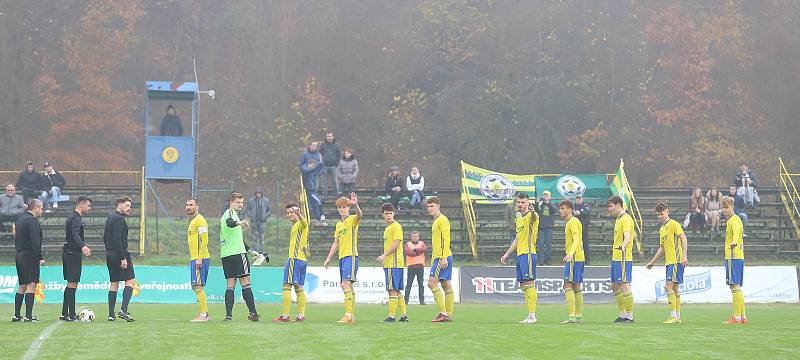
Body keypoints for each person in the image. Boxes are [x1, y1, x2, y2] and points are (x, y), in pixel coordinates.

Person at [646, 202, 688, 324]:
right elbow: (662, 248)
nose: (660, 217)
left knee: (667, 287)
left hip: (676, 260)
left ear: (667, 211)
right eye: (658, 215)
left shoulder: (673, 224)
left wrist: (684, 256)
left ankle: (673, 316)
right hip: (670, 262)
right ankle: (678, 317)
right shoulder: (662, 229)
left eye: (662, 214)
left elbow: (683, 238)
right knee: (674, 289)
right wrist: (652, 262)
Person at [220, 192, 260, 322]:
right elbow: (230, 222)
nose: (240, 205)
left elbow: (238, 240)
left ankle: (229, 316)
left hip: (226, 254)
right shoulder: (230, 213)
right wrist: (240, 222)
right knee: (245, 282)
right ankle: (253, 313)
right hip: (237, 254)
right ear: (231, 202)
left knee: (230, 284)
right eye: (238, 202)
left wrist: (251, 251)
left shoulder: (232, 215)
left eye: (242, 202)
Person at [500, 193, 539, 324]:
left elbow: (533, 218)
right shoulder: (518, 218)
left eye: (523, 202)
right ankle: (529, 314)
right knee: (523, 285)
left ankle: (532, 315)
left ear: (528, 203)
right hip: (520, 254)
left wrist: (533, 212)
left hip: (528, 253)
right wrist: (507, 254)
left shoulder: (532, 215)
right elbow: (517, 239)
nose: (521, 205)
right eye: (519, 202)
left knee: (529, 283)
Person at [323, 193, 361, 323]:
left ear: (348, 207)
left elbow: (360, 215)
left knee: (346, 284)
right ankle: (351, 315)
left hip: (351, 256)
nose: (341, 209)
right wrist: (329, 258)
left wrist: (356, 205)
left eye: (343, 207)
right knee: (346, 286)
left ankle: (348, 315)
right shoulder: (338, 224)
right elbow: (336, 242)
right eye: (339, 207)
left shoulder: (352, 219)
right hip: (342, 258)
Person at [274, 202, 309, 322]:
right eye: (288, 213)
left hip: (295, 259)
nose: (289, 215)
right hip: (302, 260)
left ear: (296, 212)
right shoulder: (295, 225)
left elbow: (305, 223)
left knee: (286, 286)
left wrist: (299, 213)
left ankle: (285, 316)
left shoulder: (299, 222)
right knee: (299, 288)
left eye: (291, 212)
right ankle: (301, 315)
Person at [104, 196, 137, 322]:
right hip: (120, 253)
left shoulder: (110, 217)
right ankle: (123, 310)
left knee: (114, 283)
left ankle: (111, 315)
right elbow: (117, 239)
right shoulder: (119, 219)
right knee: (130, 281)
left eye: (130, 206)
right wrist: (123, 257)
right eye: (127, 206)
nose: (129, 208)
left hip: (110, 253)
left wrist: (110, 252)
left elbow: (106, 237)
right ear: (119, 204)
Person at [11, 199, 44, 322]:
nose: (42, 210)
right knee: (32, 284)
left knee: (22, 285)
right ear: (35, 208)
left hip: (19, 254)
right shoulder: (32, 220)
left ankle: (16, 315)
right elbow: (35, 241)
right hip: (30, 255)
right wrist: (39, 256)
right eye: (41, 208)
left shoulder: (20, 219)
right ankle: (28, 316)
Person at [60, 196, 92, 321]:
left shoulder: (72, 217)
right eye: (88, 205)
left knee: (70, 284)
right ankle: (72, 315)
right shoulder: (76, 218)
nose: (90, 208)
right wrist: (83, 246)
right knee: (72, 284)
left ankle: (64, 313)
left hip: (70, 252)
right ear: (81, 205)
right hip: (72, 254)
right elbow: (75, 234)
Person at [377, 203, 409, 322]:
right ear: (383, 215)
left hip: (393, 263)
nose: (389, 215)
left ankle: (391, 316)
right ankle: (404, 315)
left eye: (390, 213)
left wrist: (384, 255)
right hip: (395, 263)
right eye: (386, 214)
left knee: (391, 289)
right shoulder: (388, 228)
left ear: (394, 214)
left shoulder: (395, 226)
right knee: (397, 290)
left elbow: (396, 243)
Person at [608, 195, 635, 324]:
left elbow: (627, 236)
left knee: (624, 285)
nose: (609, 209)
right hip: (616, 257)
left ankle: (630, 316)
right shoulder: (618, 219)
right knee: (615, 286)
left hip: (623, 257)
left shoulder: (626, 219)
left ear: (618, 204)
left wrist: (623, 246)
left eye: (611, 206)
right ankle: (622, 314)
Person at [426, 197, 454, 322]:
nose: (429, 209)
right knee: (446, 285)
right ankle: (449, 314)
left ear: (438, 206)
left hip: (442, 256)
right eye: (428, 206)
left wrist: (443, 257)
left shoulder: (442, 220)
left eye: (432, 206)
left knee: (431, 283)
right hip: (443, 256)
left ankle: (443, 313)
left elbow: (446, 238)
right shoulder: (437, 220)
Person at [721, 196, 747, 324]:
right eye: (723, 207)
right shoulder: (733, 219)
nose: (724, 210)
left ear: (732, 206)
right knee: (736, 287)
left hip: (733, 255)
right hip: (738, 256)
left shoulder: (733, 220)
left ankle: (736, 317)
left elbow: (737, 233)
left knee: (734, 286)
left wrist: (734, 242)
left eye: (727, 207)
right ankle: (742, 316)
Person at [559, 199, 585, 324]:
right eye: (560, 209)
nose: (561, 211)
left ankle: (572, 317)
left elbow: (576, 239)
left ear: (570, 210)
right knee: (576, 286)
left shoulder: (573, 222)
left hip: (574, 258)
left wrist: (570, 253)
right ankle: (577, 316)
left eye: (563, 208)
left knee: (567, 285)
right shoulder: (572, 222)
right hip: (578, 257)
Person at [185, 198, 210, 322]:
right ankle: (205, 313)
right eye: (187, 205)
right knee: (196, 286)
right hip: (195, 258)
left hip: (200, 258)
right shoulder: (193, 221)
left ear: (197, 207)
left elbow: (204, 240)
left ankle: (203, 315)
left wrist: (199, 258)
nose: (188, 207)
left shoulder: (200, 220)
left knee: (198, 286)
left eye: (191, 205)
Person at [245, 188, 271, 253]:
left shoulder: (266, 200)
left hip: (262, 221)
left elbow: (269, 210)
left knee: (261, 236)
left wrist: (265, 216)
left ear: (261, 194)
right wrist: (251, 216)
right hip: (254, 221)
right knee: (254, 236)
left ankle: (261, 250)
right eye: (257, 193)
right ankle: (254, 249)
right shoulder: (251, 201)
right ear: (255, 194)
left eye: (259, 193)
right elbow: (247, 209)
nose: (258, 194)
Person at [404, 231, 426, 305]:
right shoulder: (408, 244)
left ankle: (422, 301)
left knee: (421, 284)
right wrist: (418, 252)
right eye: (413, 236)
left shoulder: (422, 243)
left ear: (418, 237)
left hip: (420, 267)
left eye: (416, 236)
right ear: (411, 237)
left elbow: (424, 249)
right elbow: (408, 252)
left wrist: (415, 250)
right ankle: (405, 301)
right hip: (411, 266)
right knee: (409, 284)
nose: (415, 238)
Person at [319, 131, 343, 198]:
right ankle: (324, 195)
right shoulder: (322, 145)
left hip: (333, 166)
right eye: (328, 136)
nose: (329, 137)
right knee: (324, 182)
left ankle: (336, 195)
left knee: (335, 181)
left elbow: (339, 155)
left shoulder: (336, 145)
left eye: (330, 136)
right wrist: (322, 163)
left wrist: (336, 164)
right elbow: (319, 154)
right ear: (326, 137)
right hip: (325, 166)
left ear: (333, 137)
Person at [301, 155, 324, 222]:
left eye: (314, 165)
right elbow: (311, 170)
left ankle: (320, 218)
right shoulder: (305, 170)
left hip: (313, 191)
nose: (313, 167)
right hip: (310, 191)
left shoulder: (311, 171)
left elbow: (317, 171)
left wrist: (321, 165)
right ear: (308, 164)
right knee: (319, 201)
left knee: (316, 204)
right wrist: (318, 165)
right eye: (312, 165)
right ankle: (321, 217)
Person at [536, 190, 556, 265]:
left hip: (549, 227)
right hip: (541, 227)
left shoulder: (553, 203)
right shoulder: (541, 203)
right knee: (540, 244)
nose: (545, 197)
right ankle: (541, 260)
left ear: (550, 197)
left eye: (547, 195)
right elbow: (536, 211)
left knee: (548, 245)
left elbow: (554, 211)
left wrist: (549, 204)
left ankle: (548, 260)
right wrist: (537, 203)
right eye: (544, 195)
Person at [574, 195, 591, 263]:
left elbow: (587, 212)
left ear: (582, 199)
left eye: (579, 199)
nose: (578, 200)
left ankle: (587, 258)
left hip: (584, 227)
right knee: (576, 242)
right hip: (576, 227)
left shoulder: (586, 205)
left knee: (585, 242)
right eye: (577, 199)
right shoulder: (574, 206)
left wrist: (580, 212)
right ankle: (577, 257)